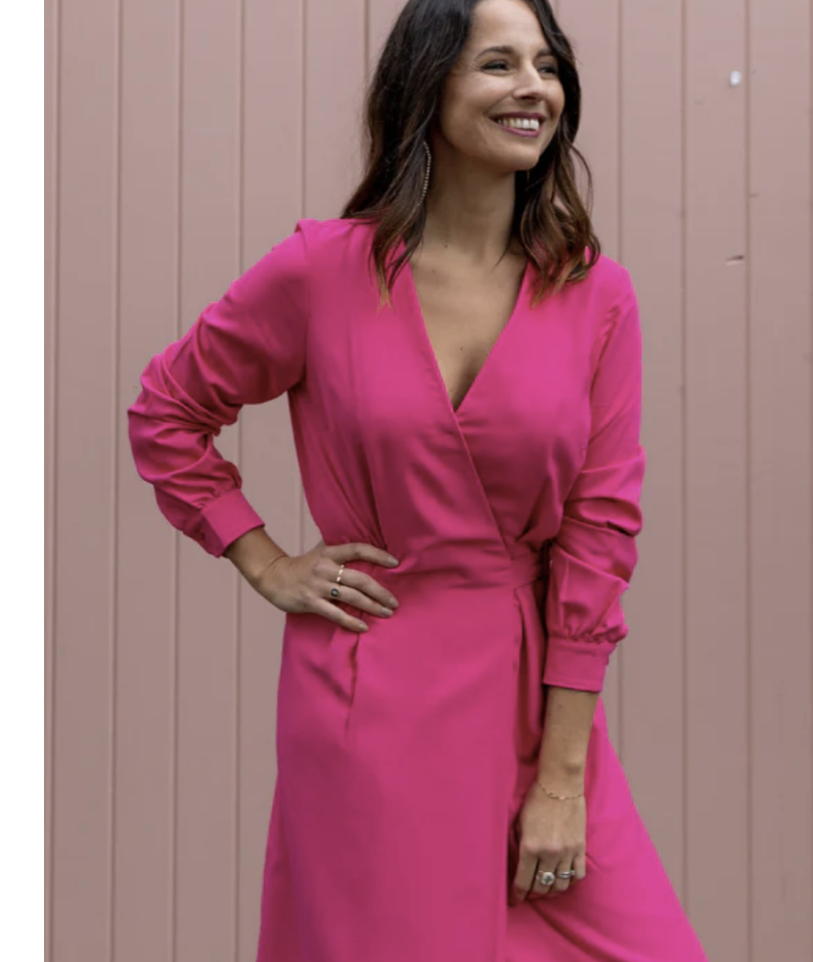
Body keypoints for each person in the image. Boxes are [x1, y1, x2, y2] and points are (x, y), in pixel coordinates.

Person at [127, 0, 709, 959]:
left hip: (530, 697)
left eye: (547, 65)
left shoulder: (594, 293)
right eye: (498, 64)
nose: (533, 87)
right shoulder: (321, 272)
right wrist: (264, 559)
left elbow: (600, 532)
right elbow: (167, 411)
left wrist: (561, 776)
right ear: (425, 86)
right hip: (369, 695)